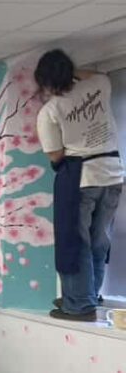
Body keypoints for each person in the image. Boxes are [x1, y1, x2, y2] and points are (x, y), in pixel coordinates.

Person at [34, 49, 124, 321]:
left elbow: (55, 155)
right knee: (100, 240)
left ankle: (78, 305)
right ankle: (89, 296)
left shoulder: (50, 110)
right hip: (113, 174)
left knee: (76, 243)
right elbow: (97, 74)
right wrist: (71, 71)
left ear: (46, 81)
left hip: (82, 178)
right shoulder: (98, 85)